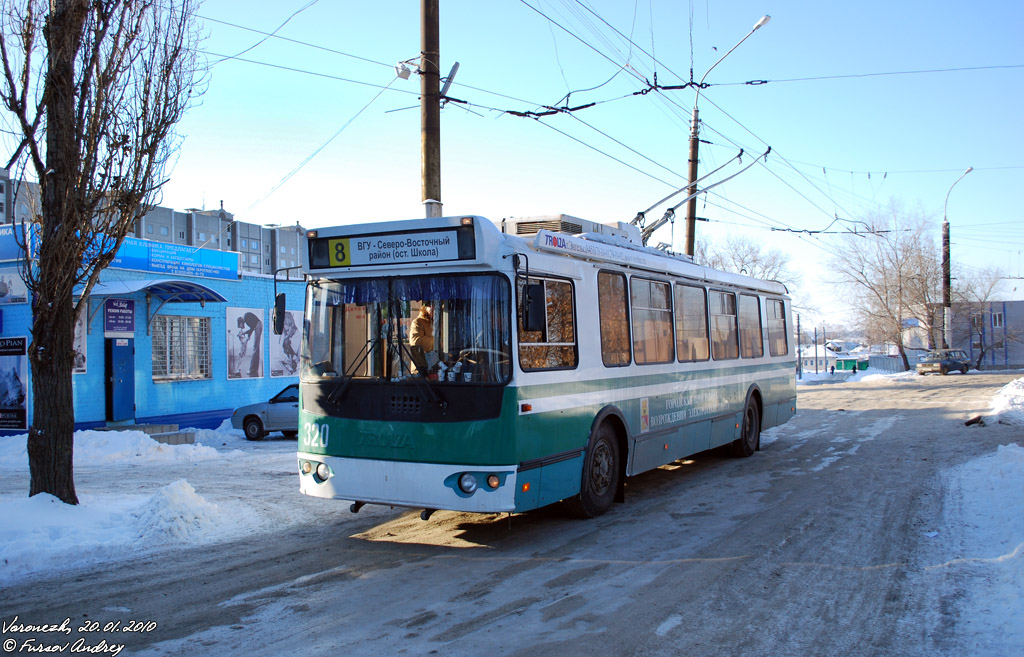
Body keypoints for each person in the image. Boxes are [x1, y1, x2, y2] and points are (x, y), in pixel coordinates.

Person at [237, 312, 263, 377]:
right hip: (258, 325)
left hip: (258, 326)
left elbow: (252, 327)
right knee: (256, 348)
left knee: (255, 348)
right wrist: (247, 335)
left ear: (241, 323)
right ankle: (254, 369)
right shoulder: (246, 317)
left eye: (241, 326)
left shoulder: (246, 317)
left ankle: (252, 369)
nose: (242, 328)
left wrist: (246, 334)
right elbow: (252, 327)